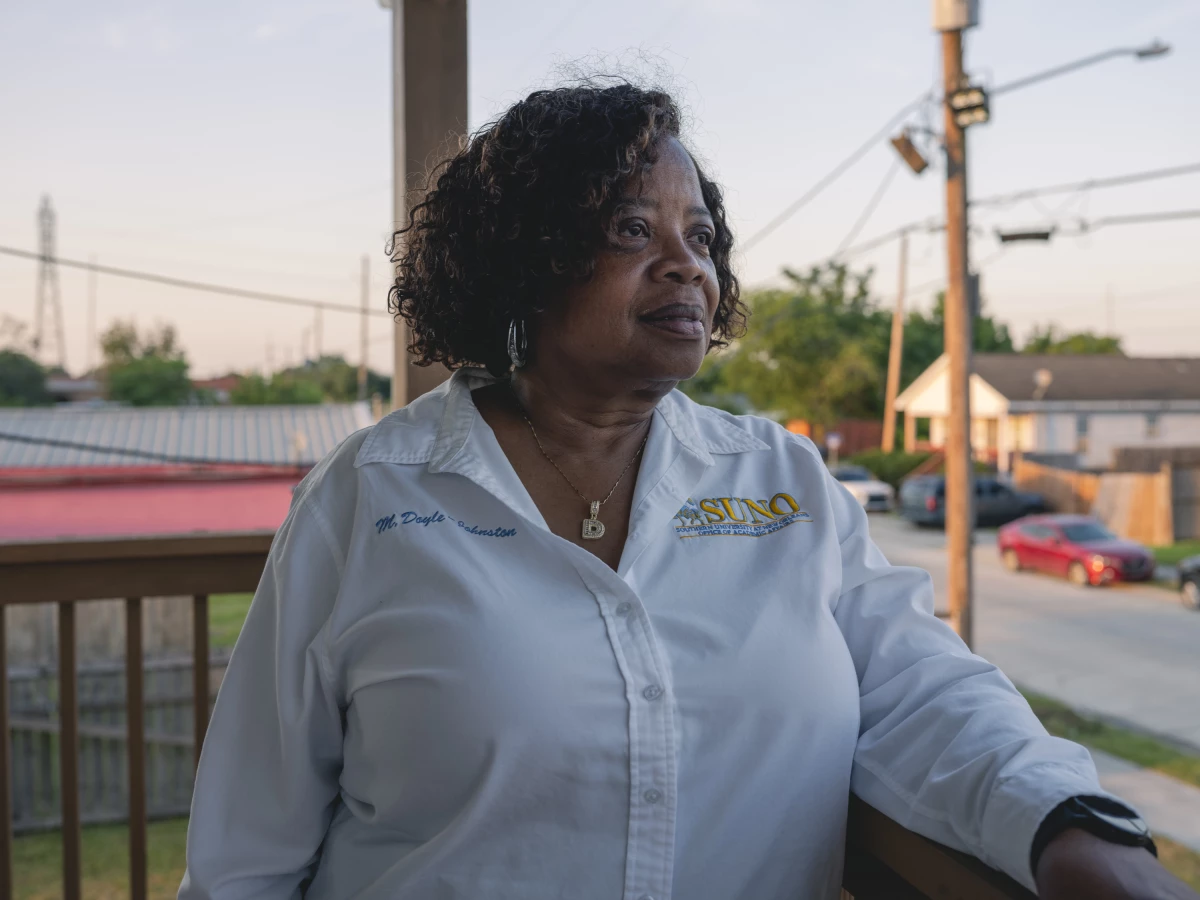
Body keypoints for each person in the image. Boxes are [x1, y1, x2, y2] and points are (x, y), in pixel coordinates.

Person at [180, 81, 1196, 900]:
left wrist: (1073, 827)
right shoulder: (368, 498)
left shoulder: (783, 481)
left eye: (701, 236)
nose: (687, 268)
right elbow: (246, 852)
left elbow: (923, 688)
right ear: (525, 260)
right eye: (632, 230)